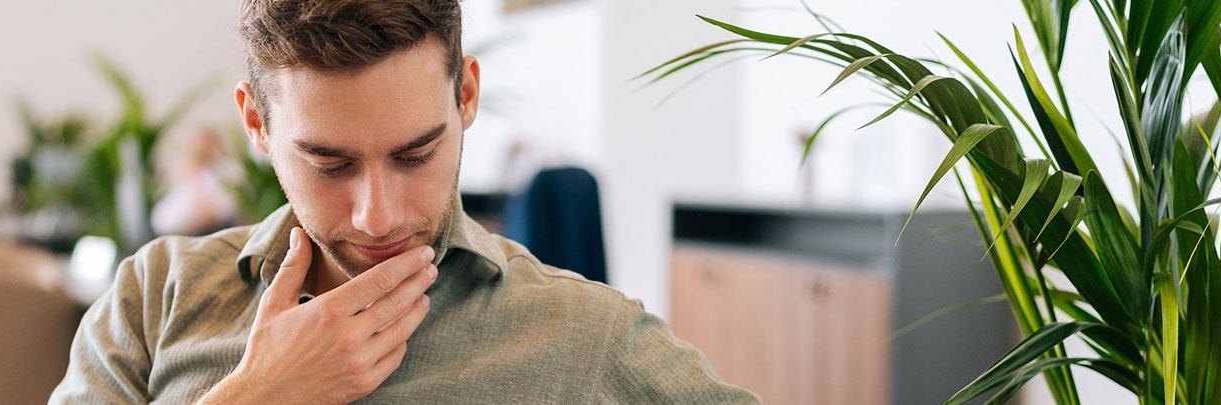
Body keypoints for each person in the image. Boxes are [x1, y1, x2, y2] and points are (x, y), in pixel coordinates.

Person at [50, 1, 758, 403]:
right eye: (330, 163)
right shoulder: (155, 297)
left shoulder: (582, 334)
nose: (377, 215)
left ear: (468, 96)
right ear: (257, 125)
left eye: (415, 155)